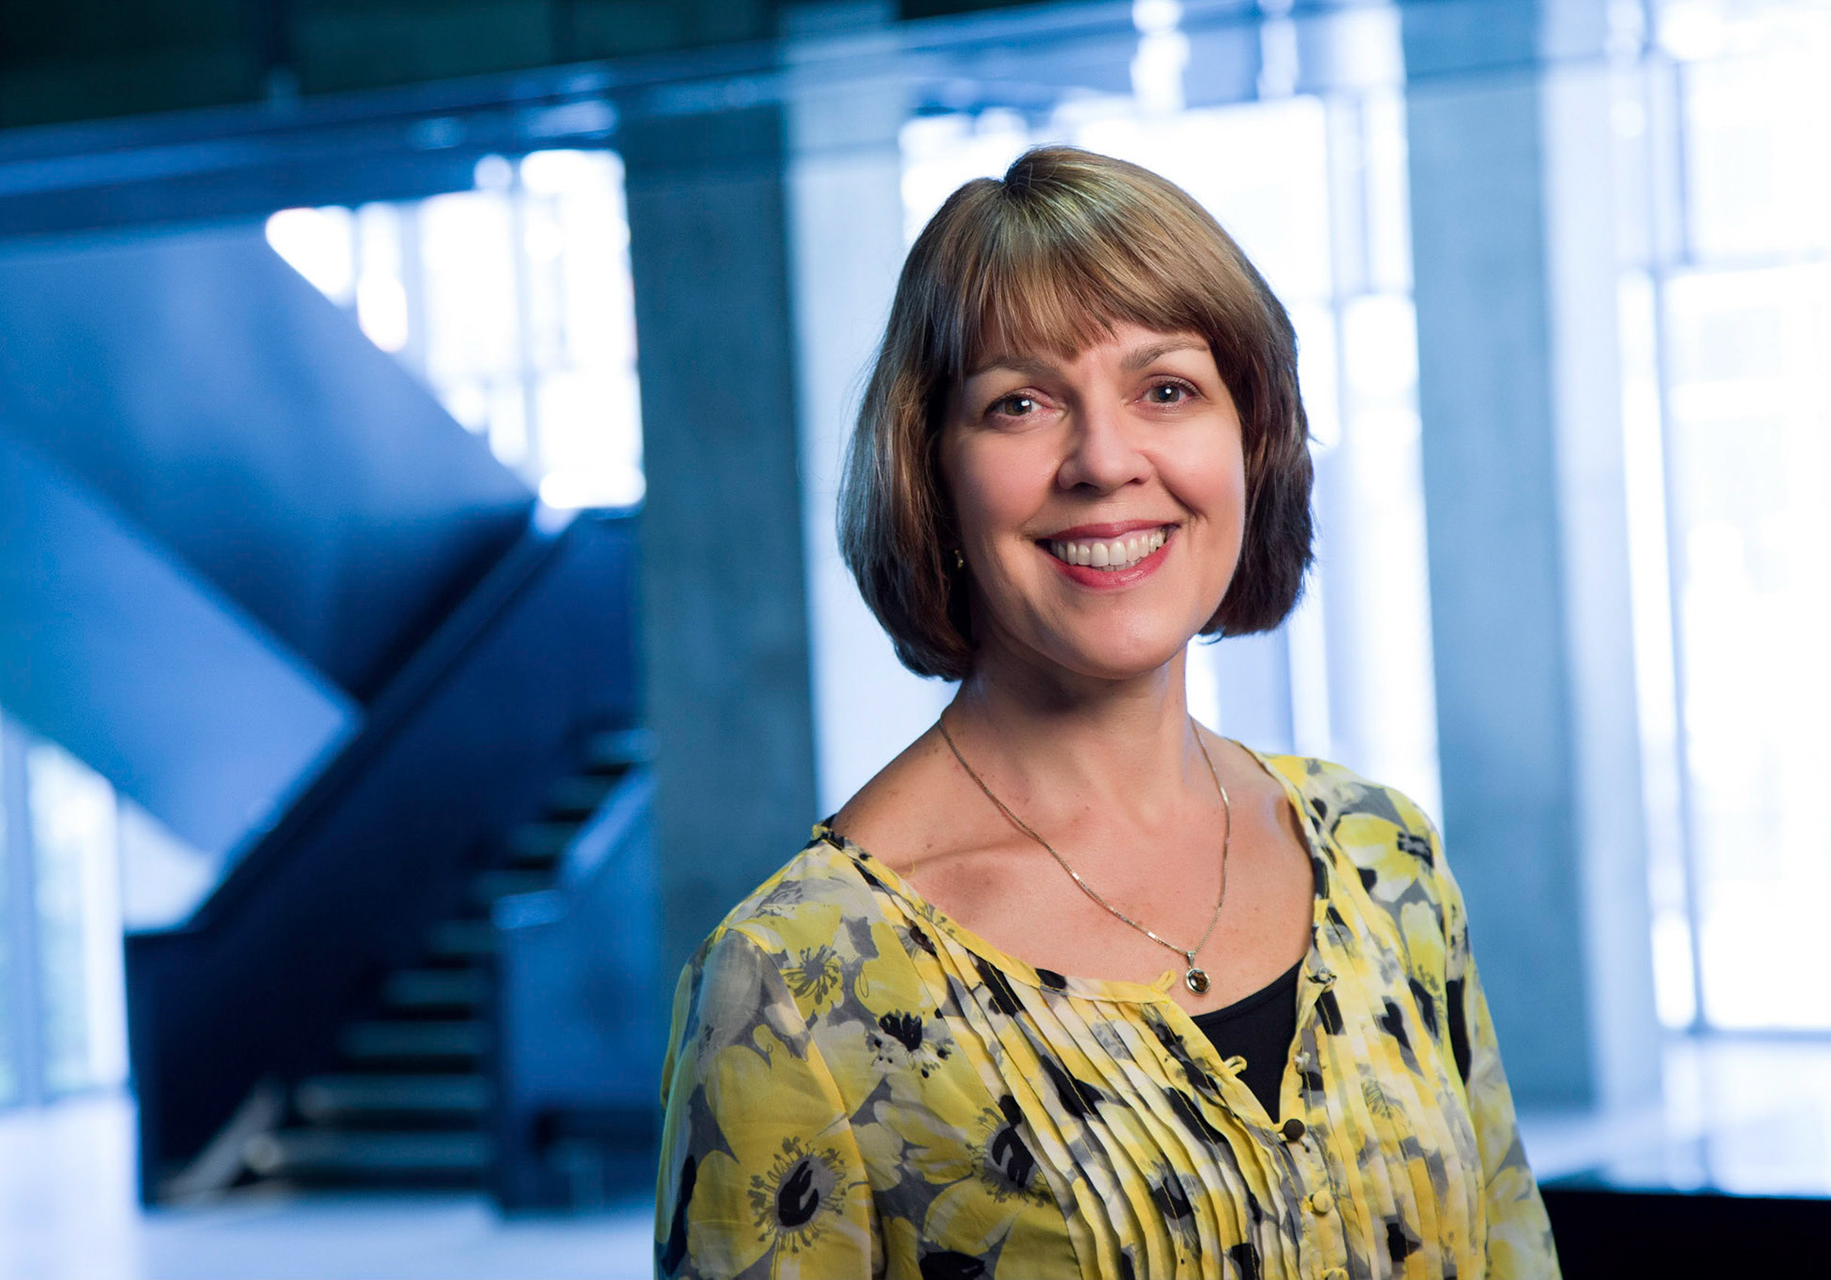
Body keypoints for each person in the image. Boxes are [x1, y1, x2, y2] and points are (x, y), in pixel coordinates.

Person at [654, 145, 1559, 1280]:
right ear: (930, 473)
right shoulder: (794, 980)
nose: (1104, 460)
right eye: (1020, 403)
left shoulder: (1383, 853)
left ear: (1252, 437)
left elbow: (1513, 1246)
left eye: (1166, 389)